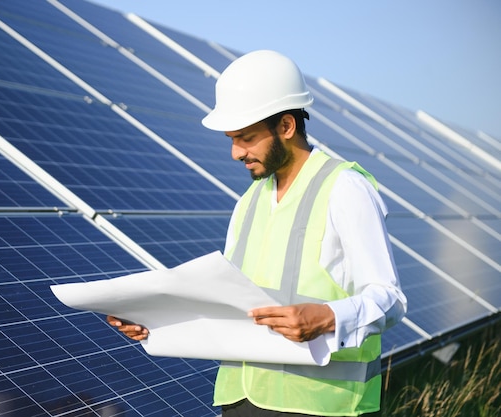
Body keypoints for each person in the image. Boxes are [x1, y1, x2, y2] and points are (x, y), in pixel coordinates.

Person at [108, 50, 407, 417]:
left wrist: (327, 317)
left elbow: (389, 299)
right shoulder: (249, 202)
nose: (235, 153)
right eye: (232, 139)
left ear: (286, 126)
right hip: (240, 402)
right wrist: (156, 322)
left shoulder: (344, 187)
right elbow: (227, 302)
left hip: (323, 405)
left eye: (246, 138)